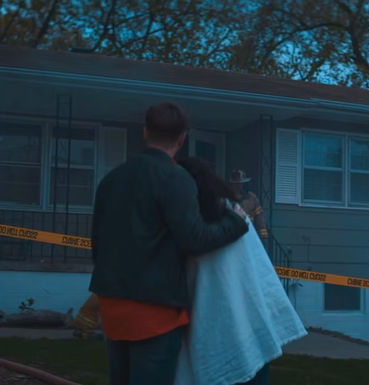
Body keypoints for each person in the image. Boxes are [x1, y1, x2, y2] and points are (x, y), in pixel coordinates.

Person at [89, 101, 249, 385]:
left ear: (145, 132)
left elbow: (97, 244)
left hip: (112, 306)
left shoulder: (111, 180)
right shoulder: (176, 179)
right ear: (181, 138)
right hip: (155, 313)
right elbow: (195, 238)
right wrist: (235, 222)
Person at [175, 157, 307, 385]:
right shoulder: (226, 213)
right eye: (236, 181)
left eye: (241, 181)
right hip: (236, 328)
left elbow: (256, 236)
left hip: (242, 327)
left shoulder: (234, 210)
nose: (239, 184)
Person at [229, 169, 268, 242]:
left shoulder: (252, 199)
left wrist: (263, 236)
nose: (240, 186)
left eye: (242, 183)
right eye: (237, 183)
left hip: (249, 237)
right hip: (232, 238)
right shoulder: (226, 198)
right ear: (232, 184)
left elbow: (259, 220)